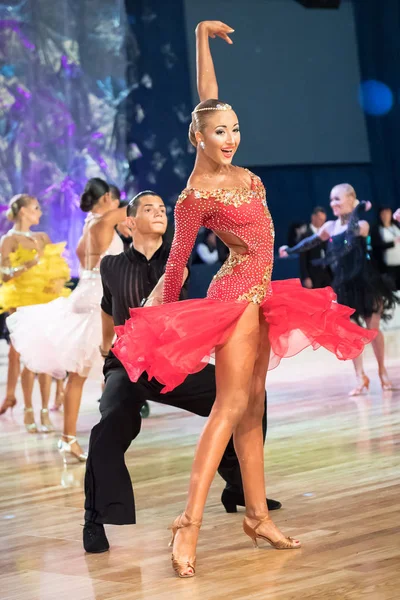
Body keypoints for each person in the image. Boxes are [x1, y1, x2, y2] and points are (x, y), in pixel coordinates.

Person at [112, 21, 375, 578]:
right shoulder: (194, 196)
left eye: (235, 129)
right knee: (230, 408)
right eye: (219, 132)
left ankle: (257, 515)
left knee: (253, 407)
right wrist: (153, 322)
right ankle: (188, 525)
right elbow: (178, 263)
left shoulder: (242, 174)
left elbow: (208, 97)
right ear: (198, 139)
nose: (230, 138)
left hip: (261, 295)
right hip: (233, 300)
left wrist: (203, 38)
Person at [83, 190, 280, 553]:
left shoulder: (177, 263)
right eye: (149, 208)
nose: (159, 212)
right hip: (128, 365)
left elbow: (161, 308)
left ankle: (237, 486)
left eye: (162, 208)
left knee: (247, 397)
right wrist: (105, 344)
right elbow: (108, 306)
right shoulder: (110, 266)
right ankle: (94, 519)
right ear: (129, 222)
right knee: (109, 423)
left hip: (170, 363)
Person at [7, 179, 126, 459]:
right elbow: (133, 208)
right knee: (92, 370)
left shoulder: (89, 224)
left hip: (89, 292)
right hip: (101, 298)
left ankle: (76, 437)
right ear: (108, 197)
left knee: (90, 371)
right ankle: (82, 436)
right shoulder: (104, 221)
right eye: (116, 200)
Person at [280, 184, 398, 395]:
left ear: (351, 199)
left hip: (366, 283)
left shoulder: (361, 223)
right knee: (350, 334)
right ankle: (360, 376)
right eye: (331, 199)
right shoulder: (330, 227)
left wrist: (359, 208)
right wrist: (290, 250)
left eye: (337, 199)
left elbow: (352, 233)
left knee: (372, 330)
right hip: (343, 286)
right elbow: (310, 242)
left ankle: (382, 372)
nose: (333, 203)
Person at [0, 194, 71, 432]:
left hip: (46, 302)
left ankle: (44, 411)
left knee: (47, 357)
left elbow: (58, 266)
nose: (39, 212)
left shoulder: (42, 237)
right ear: (23, 211)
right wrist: (28, 265)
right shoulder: (9, 240)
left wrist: (58, 280)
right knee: (28, 359)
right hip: (23, 303)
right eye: (35, 208)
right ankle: (28, 410)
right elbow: (4, 274)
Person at [299, 207, 332, 289]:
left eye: (324, 220)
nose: (322, 223)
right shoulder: (305, 235)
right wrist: (306, 277)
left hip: (326, 275)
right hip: (313, 275)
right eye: (320, 219)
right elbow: (302, 259)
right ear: (313, 217)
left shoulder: (325, 234)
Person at [370, 206, 400, 289]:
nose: (386, 216)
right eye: (383, 213)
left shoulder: (396, 225)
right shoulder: (377, 229)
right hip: (389, 268)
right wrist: (393, 243)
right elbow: (376, 247)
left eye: (388, 213)